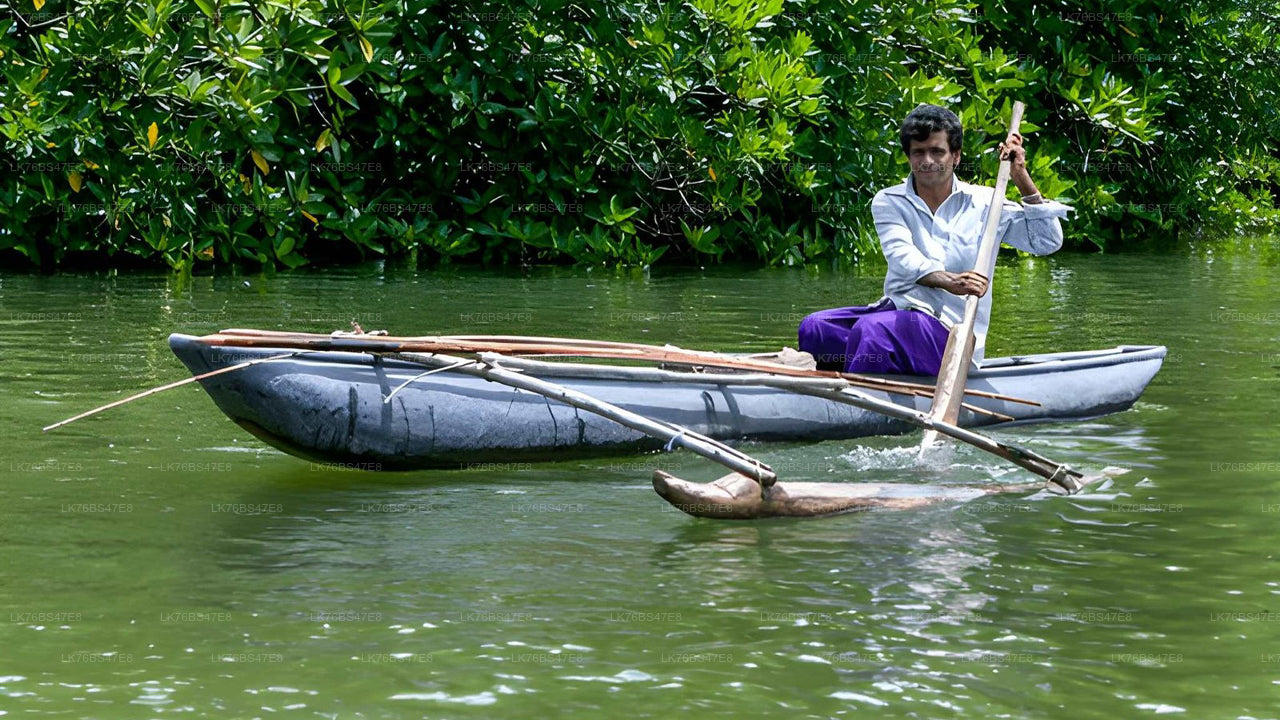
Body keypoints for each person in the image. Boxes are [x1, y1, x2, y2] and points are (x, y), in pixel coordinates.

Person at [798, 103, 1072, 376]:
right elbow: (903, 258)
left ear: (956, 156)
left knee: (872, 331)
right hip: (897, 313)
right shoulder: (889, 201)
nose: (927, 161)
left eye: (937, 151)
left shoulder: (987, 202)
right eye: (918, 152)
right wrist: (951, 281)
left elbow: (1047, 242)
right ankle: (834, 393)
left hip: (951, 332)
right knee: (816, 327)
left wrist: (1021, 176)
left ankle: (860, 403)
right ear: (908, 157)